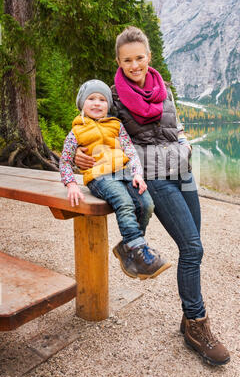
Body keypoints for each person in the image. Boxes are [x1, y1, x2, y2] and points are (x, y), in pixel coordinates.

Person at [74, 27, 230, 366]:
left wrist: (185, 141)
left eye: (139, 58)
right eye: (127, 60)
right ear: (119, 61)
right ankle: (197, 323)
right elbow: (90, 128)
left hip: (184, 173)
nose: (134, 65)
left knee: (194, 245)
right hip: (154, 177)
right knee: (192, 247)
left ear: (149, 57)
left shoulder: (164, 89)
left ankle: (188, 316)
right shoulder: (113, 97)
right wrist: (77, 157)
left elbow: (174, 126)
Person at [59, 78, 171, 280]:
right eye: (91, 98)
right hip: (99, 177)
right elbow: (65, 161)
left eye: (102, 99)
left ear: (108, 105)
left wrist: (137, 173)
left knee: (146, 203)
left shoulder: (116, 125)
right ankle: (139, 253)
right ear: (82, 103)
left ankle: (129, 248)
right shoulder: (76, 131)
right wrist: (71, 184)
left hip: (124, 173)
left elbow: (130, 151)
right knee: (124, 202)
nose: (96, 103)